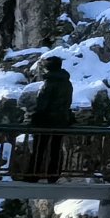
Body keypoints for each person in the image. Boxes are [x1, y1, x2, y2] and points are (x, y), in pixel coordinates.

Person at [26, 55, 75, 183]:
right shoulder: (67, 83)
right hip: (62, 119)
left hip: (46, 120)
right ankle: (54, 175)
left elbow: (43, 103)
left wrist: (36, 115)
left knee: (39, 148)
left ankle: (33, 174)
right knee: (56, 148)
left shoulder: (50, 83)